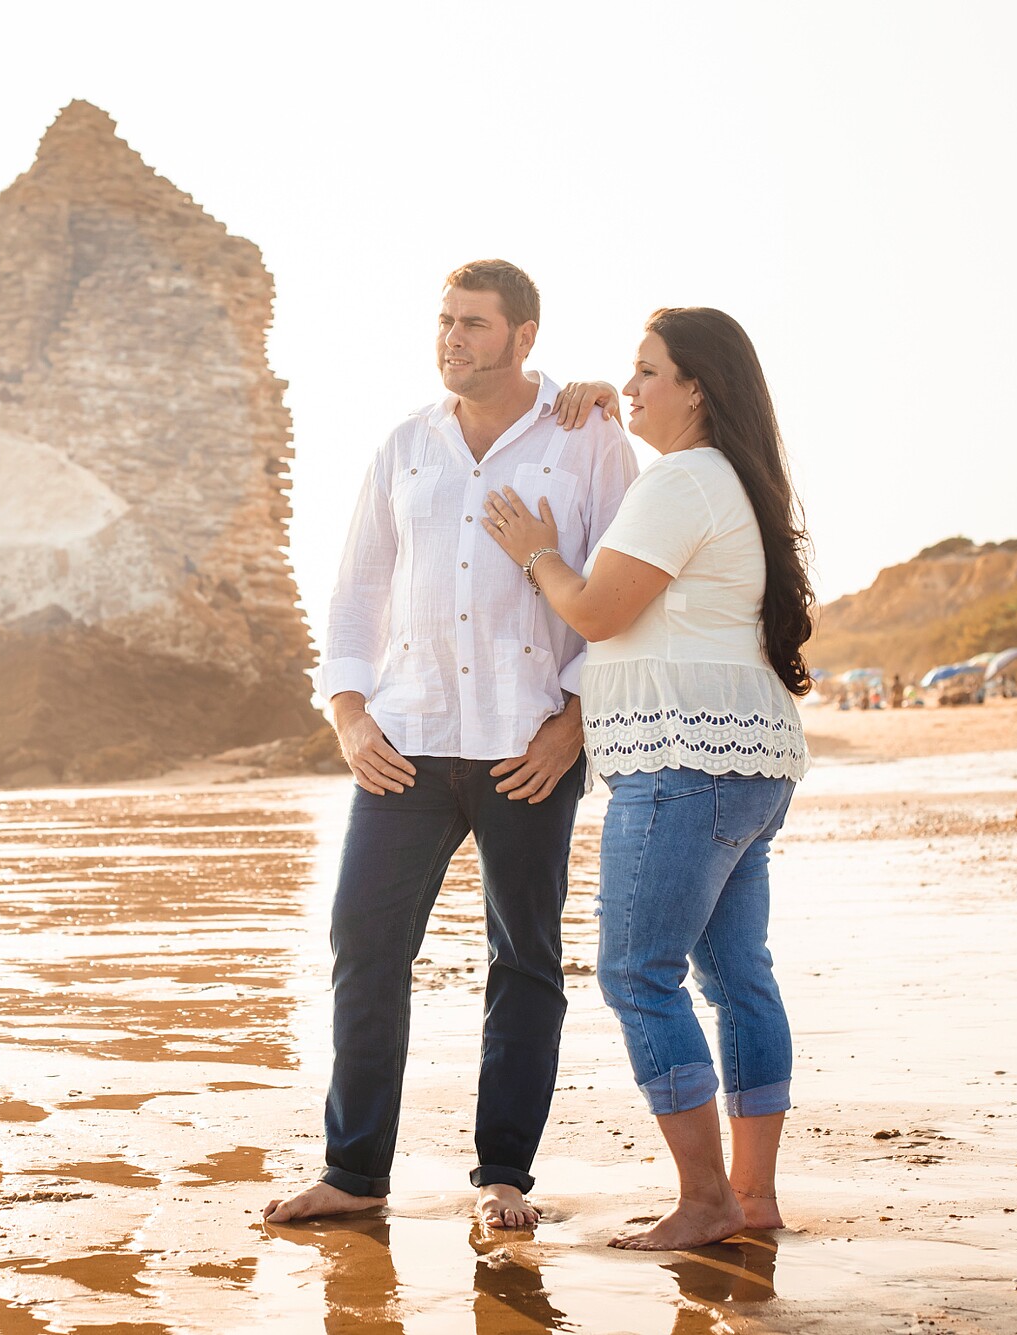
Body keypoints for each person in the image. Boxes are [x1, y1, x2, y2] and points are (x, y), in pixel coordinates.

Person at [263, 260, 638, 1231]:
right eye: (443, 321)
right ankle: (353, 1176)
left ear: (523, 336)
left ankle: (503, 1177)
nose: (450, 338)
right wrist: (348, 715)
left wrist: (573, 722)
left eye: (472, 323)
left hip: (529, 746)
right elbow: (354, 593)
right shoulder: (404, 445)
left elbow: (624, 589)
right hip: (407, 742)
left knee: (523, 958)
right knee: (363, 943)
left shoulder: (586, 436)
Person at [482, 307, 813, 1250]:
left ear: (697, 386)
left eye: (648, 373)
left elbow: (595, 608)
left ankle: (705, 1199)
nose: (631, 388)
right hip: (745, 762)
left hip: (681, 764)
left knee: (637, 974)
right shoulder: (730, 480)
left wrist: (537, 553)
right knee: (738, 977)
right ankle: (751, 1198)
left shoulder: (679, 484)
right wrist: (598, 396)